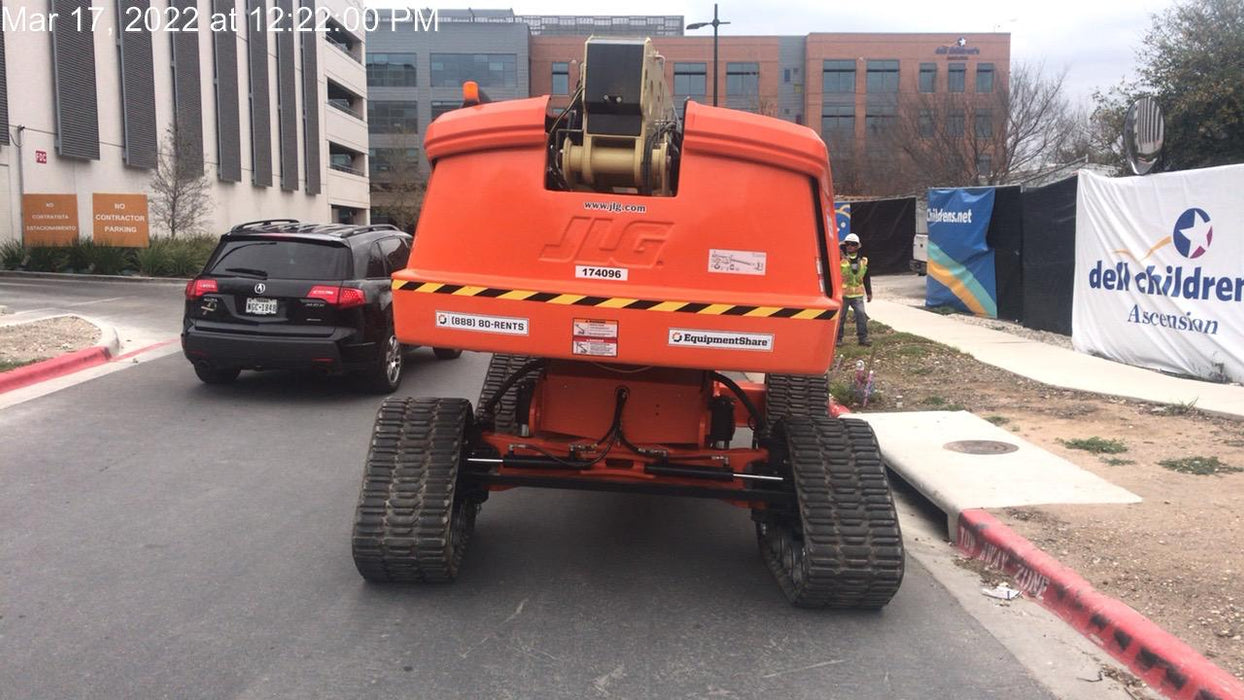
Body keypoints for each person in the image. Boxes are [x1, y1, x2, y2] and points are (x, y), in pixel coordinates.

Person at [837, 232, 872, 346]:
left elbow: (866, 276)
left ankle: (863, 338)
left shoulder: (863, 260)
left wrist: (869, 292)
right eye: (847, 244)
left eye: (853, 244)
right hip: (843, 294)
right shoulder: (839, 258)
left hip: (857, 294)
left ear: (858, 246)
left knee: (861, 315)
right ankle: (838, 339)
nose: (850, 246)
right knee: (841, 317)